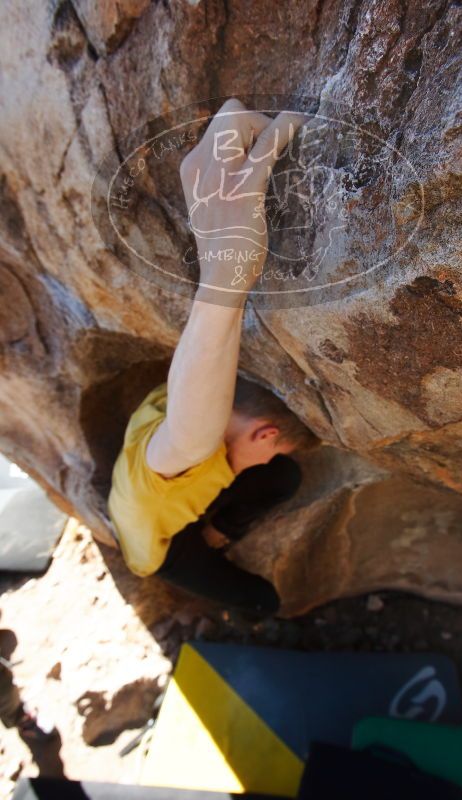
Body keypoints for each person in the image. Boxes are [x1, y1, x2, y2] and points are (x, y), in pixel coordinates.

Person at [108, 98, 320, 617]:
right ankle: (231, 594)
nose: (270, 455)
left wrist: (226, 271)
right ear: (263, 435)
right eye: (270, 449)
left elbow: (192, 385)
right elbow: (191, 433)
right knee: (261, 601)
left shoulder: (183, 418)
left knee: (283, 477)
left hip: (162, 481)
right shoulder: (181, 452)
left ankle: (218, 530)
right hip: (160, 544)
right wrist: (228, 273)